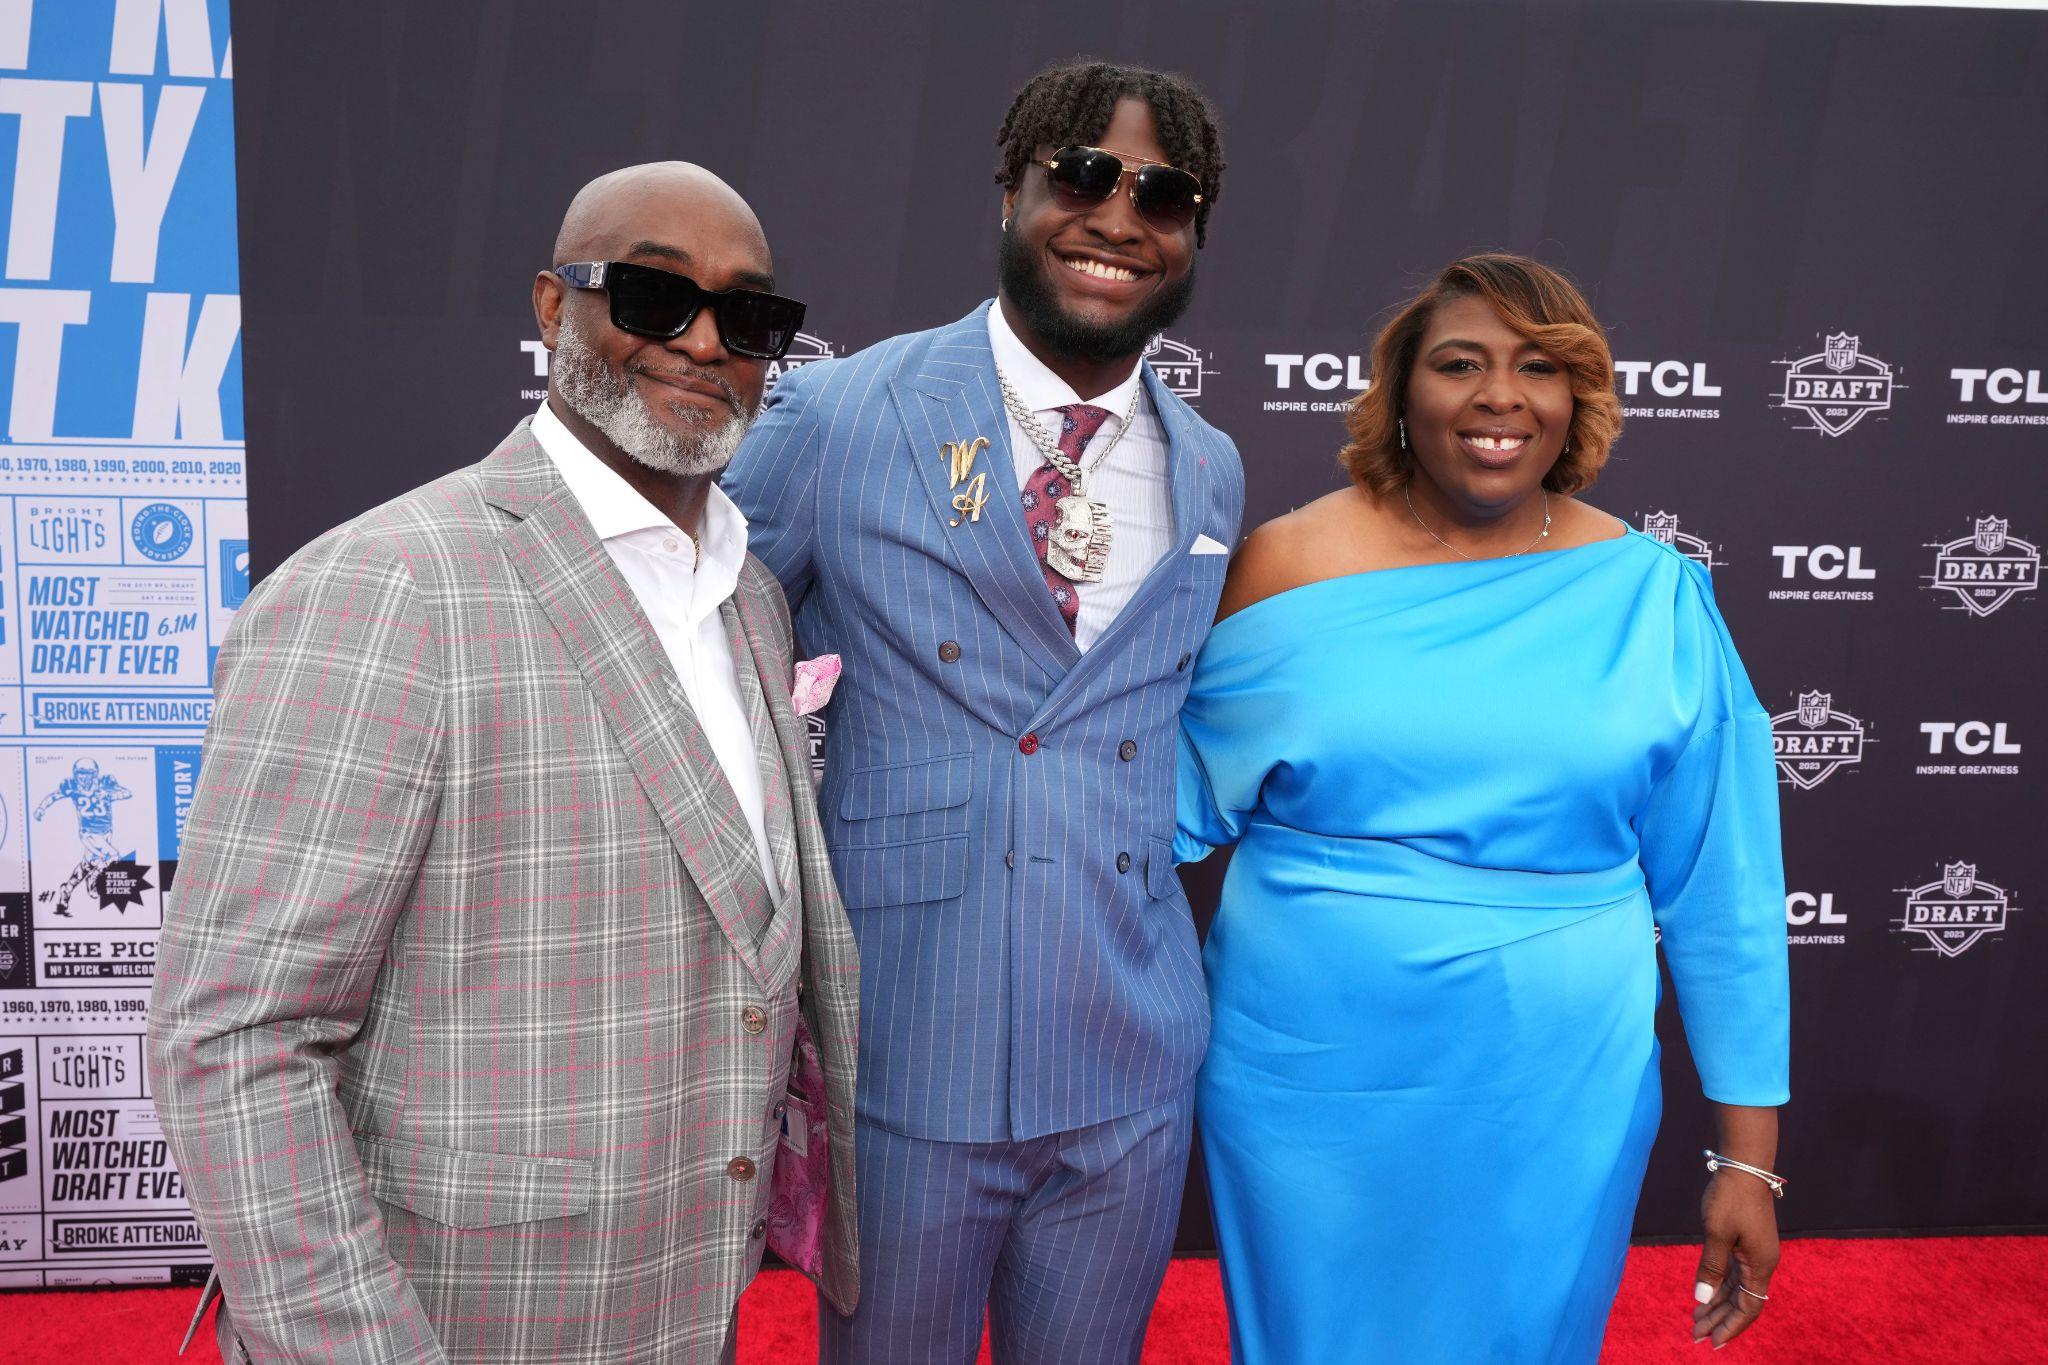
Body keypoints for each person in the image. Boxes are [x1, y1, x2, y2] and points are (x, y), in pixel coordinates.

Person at [145, 163, 859, 1365]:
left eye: (746, 317)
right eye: (648, 294)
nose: (699, 341)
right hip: (455, 1315)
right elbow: (237, 1040)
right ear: (550, 306)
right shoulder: (382, 589)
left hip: (685, 1302)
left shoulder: (746, 595)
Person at [1178, 254, 1790, 1362]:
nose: (1499, 396)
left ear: (1575, 404)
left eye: (1539, 368)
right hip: (1305, 1062)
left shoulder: (1652, 594)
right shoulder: (1284, 565)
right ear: (1402, 394)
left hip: (1555, 1071)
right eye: (1460, 363)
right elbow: (1155, 800)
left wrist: (1746, 1157)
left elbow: (1723, 890)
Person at [724, 59, 1240, 1365]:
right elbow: (690, 649)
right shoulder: (842, 415)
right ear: (1010, 189)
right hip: (909, 1050)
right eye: (1082, 175)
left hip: (1130, 1059)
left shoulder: (1214, 467)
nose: (1120, 217)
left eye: (1164, 193)